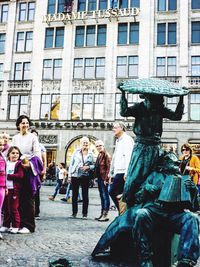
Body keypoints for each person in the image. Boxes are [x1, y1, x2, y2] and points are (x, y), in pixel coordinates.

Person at [120, 92, 184, 206]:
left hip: (154, 147)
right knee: (135, 175)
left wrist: (181, 99)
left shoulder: (160, 108)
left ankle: (152, 202)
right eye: (154, 102)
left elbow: (176, 116)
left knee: (154, 175)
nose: (155, 106)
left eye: (158, 103)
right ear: (147, 99)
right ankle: (129, 201)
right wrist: (123, 94)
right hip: (141, 147)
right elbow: (124, 112)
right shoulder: (139, 107)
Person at [12, 115, 43, 234]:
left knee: (28, 198)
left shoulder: (33, 137)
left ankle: (29, 225)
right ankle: (18, 223)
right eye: (22, 123)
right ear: (18, 125)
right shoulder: (15, 138)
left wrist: (30, 165)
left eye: (26, 123)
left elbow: (37, 155)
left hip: (29, 169)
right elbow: (12, 151)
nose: (25, 125)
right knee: (17, 197)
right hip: (18, 168)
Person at [108, 121, 134, 213]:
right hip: (118, 172)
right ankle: (123, 213)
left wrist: (127, 172)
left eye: (115, 127)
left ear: (121, 128)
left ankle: (124, 213)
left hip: (123, 172)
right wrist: (111, 173)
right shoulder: (119, 140)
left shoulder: (127, 139)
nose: (113, 129)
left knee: (114, 192)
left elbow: (129, 157)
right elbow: (115, 158)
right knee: (118, 194)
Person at [68, 136, 95, 219]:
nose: (85, 144)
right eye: (84, 142)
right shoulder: (75, 152)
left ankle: (84, 214)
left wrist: (88, 167)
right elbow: (71, 164)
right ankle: (74, 212)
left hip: (85, 176)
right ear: (80, 143)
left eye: (87, 142)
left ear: (89, 144)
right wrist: (69, 175)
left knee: (85, 195)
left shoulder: (91, 154)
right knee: (74, 195)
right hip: (75, 175)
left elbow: (94, 165)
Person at [1, 146, 24, 234]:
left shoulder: (19, 164)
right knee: (6, 208)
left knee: (13, 208)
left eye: (17, 153)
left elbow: (20, 175)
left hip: (14, 190)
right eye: (13, 153)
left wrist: (9, 176)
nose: (15, 155)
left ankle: (16, 226)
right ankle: (6, 225)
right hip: (5, 189)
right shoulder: (6, 162)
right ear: (9, 154)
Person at [31, 129, 47, 219]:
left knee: (37, 192)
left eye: (35, 135)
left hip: (38, 172)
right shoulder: (28, 145)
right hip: (29, 171)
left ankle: (36, 211)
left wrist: (44, 171)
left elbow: (44, 161)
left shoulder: (41, 147)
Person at [95, 140, 111, 222]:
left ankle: (105, 214)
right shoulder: (99, 155)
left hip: (104, 178)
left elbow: (109, 167)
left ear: (103, 145)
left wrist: (106, 179)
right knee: (102, 196)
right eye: (97, 146)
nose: (98, 147)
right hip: (100, 178)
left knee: (105, 196)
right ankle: (102, 213)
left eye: (100, 145)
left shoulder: (106, 155)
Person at [0, 138, 6, 239]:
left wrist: (5, 187)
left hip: (2, 186)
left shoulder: (3, 156)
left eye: (2, 145)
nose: (1, 146)